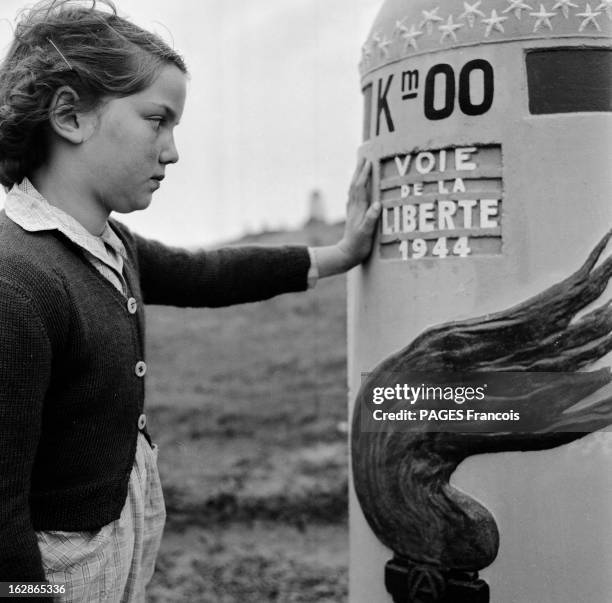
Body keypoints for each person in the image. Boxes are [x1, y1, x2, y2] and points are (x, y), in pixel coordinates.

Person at [0, 0, 380, 600]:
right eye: (157, 119)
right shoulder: (17, 280)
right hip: (59, 570)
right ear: (70, 115)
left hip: (122, 529)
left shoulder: (110, 244)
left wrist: (337, 254)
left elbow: (205, 274)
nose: (173, 151)